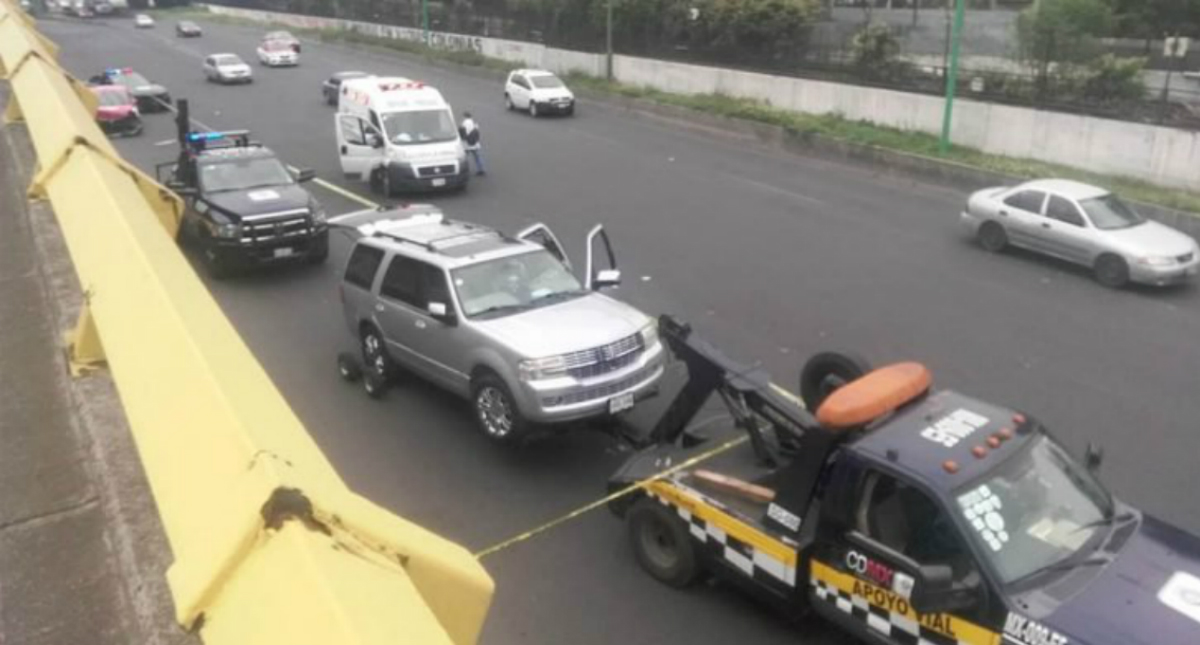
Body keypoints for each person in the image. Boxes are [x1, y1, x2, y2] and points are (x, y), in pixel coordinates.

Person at [459, 111, 485, 176]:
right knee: (477, 156)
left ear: (465, 116)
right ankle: (481, 169)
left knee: (465, 157)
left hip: (467, 143)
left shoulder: (464, 123)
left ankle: (464, 171)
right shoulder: (474, 123)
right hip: (474, 143)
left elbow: (462, 133)